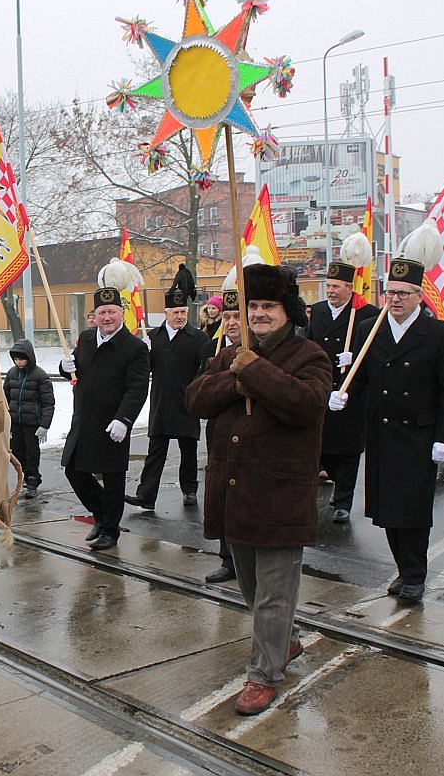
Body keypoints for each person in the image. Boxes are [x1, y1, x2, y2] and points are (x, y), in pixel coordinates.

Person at [187, 264, 332, 715]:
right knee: (250, 587)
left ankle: (263, 675)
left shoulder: (310, 356)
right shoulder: (232, 352)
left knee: (273, 592)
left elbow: (305, 405)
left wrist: (256, 370)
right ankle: (285, 642)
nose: (259, 314)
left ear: (287, 311)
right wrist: (238, 374)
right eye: (253, 306)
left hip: (281, 496)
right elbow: (195, 398)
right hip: (236, 493)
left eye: (268, 306)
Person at [328, 255, 444, 603]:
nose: (397, 299)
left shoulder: (438, 334)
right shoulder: (370, 329)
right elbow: (360, 374)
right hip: (383, 433)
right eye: (391, 293)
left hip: (419, 436)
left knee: (413, 511)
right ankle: (402, 569)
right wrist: (343, 393)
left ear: (420, 295)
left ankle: (415, 574)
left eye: (405, 293)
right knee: (388, 508)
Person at [60, 287, 150, 551]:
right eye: (102, 312)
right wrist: (64, 369)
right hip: (84, 420)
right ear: (95, 315)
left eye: (112, 312)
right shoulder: (86, 338)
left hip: (113, 424)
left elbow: (138, 388)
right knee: (73, 470)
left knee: (112, 480)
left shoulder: (134, 347)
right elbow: (76, 370)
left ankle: (110, 530)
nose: (107, 317)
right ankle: (102, 515)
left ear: (121, 313)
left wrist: (124, 419)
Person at [306, 260, 379, 523]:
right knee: (321, 444)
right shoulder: (318, 311)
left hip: (351, 391)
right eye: (328, 285)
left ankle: (343, 501)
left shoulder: (367, 313)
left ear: (350, 287)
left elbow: (379, 354)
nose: (331, 291)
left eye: (336, 286)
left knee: (348, 448)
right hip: (322, 386)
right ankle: (325, 487)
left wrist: (357, 356)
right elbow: (309, 343)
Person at [125, 288, 208, 510]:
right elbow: (144, 370)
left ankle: (189, 490)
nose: (180, 316)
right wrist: (144, 353)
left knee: (188, 450)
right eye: (175, 312)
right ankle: (146, 495)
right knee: (155, 452)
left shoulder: (198, 338)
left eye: (183, 311)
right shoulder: (154, 336)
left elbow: (205, 368)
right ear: (166, 313)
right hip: (161, 402)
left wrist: (196, 390)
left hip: (186, 402)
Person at [200, 291, 241, 584]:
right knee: (223, 495)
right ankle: (227, 559)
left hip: (251, 436)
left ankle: (245, 559)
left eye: (237, 316)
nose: (231, 322)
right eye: (227, 316)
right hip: (219, 429)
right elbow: (197, 392)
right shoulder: (211, 346)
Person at [3, 338, 55, 500]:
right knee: (16, 450)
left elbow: (48, 403)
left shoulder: (40, 376)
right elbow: (5, 397)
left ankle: (32, 480)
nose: (18, 362)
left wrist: (44, 425)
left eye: (21, 358)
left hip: (32, 423)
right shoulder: (11, 373)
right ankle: (27, 474)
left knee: (32, 452)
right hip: (15, 422)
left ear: (29, 357)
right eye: (16, 359)